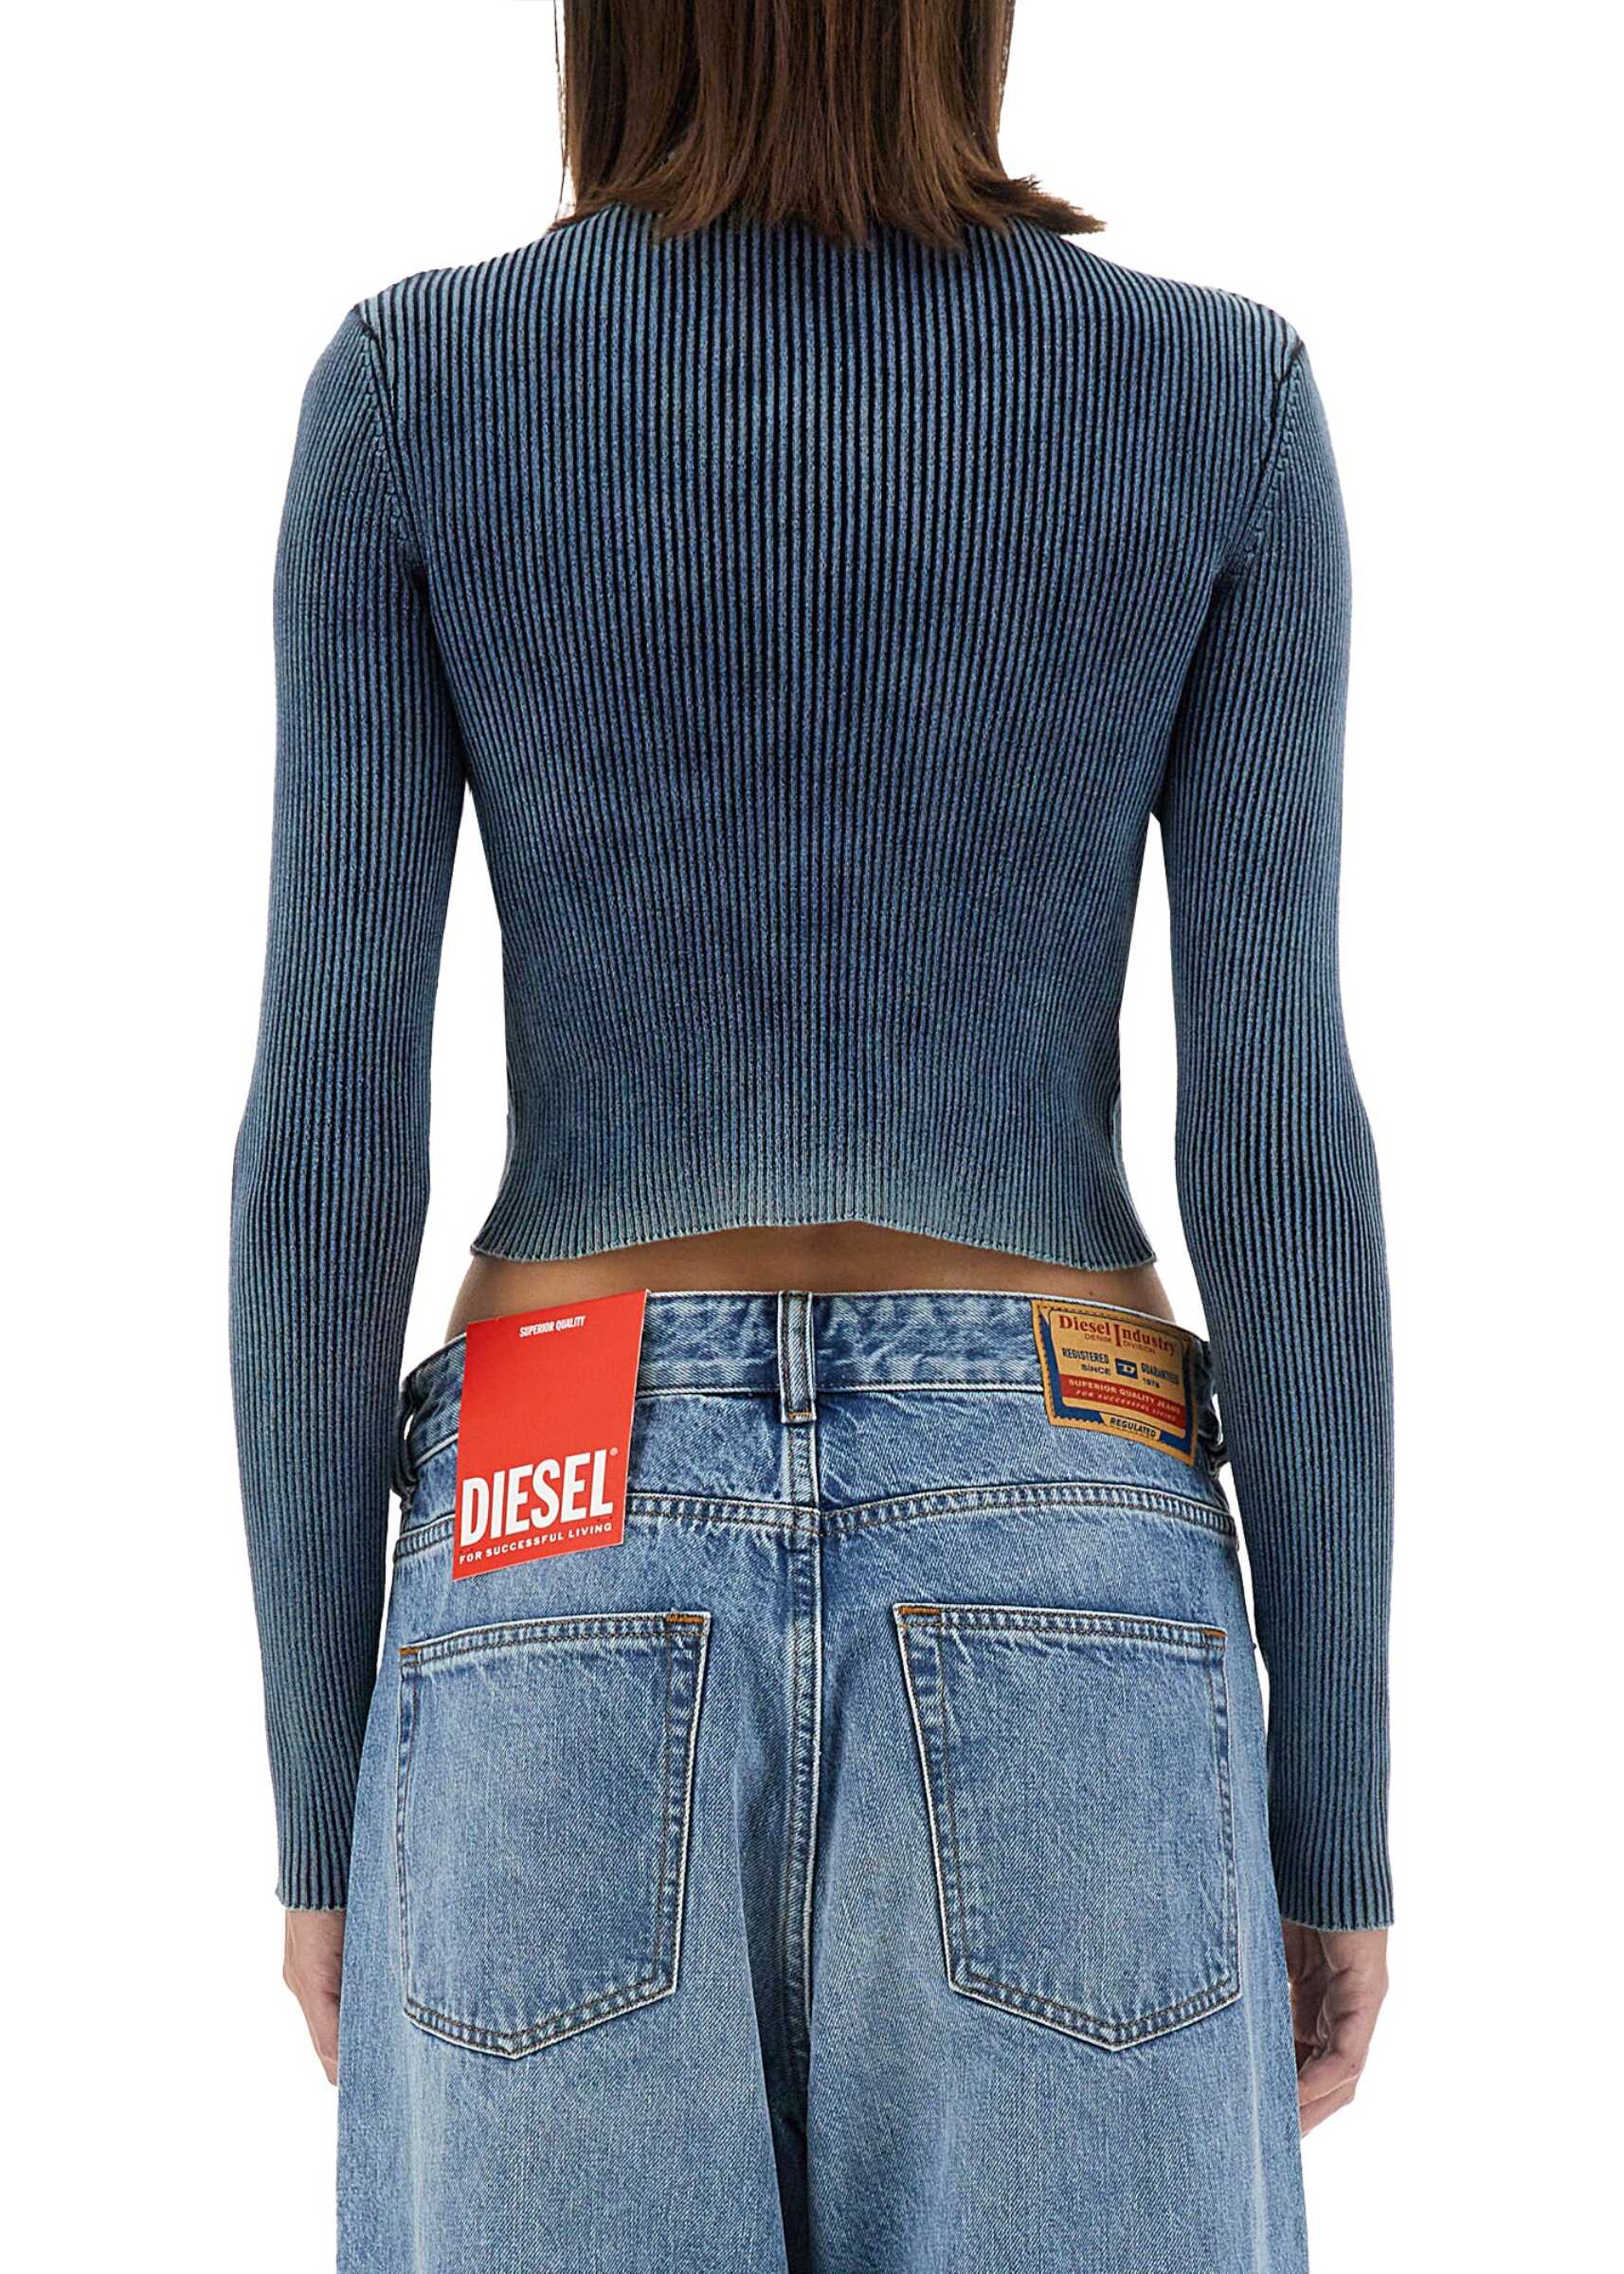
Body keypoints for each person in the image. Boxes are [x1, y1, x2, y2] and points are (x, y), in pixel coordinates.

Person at [228, 2, 1393, 2265]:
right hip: (1065, 1534)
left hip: (552, 1536)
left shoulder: (412, 389)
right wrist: (1330, 1818)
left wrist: (322, 1796)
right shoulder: (1214, 397)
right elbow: (1277, 1143)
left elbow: (328, 1139)